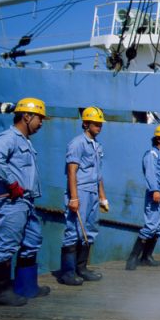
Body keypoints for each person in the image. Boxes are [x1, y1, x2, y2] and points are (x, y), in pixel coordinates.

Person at [0, 97, 50, 306]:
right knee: (6, 244)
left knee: (32, 241)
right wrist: (12, 183)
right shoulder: (9, 137)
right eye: (40, 118)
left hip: (26, 202)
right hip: (11, 202)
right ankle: (0, 292)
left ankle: (27, 287)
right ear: (27, 116)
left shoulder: (25, 141)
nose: (41, 123)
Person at [58, 107, 109, 286]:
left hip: (93, 192)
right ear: (86, 123)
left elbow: (99, 173)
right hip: (80, 191)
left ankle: (82, 268)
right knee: (73, 230)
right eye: (96, 124)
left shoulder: (97, 145)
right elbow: (72, 171)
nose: (99, 127)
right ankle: (67, 272)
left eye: (100, 124)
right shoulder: (77, 143)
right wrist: (74, 197)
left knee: (90, 229)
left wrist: (103, 197)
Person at [126, 124, 160, 270]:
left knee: (158, 227)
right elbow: (151, 173)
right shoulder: (152, 154)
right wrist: (155, 190)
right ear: (159, 139)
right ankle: (132, 258)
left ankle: (146, 257)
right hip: (157, 194)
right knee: (150, 226)